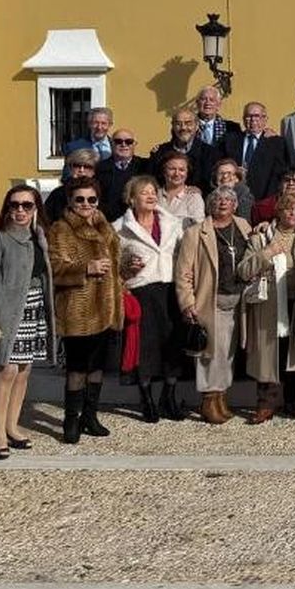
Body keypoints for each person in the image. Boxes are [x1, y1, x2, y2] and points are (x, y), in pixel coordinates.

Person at [0, 185, 55, 459]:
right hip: (7, 310)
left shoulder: (39, 235)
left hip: (34, 306)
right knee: (5, 370)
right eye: (15, 204)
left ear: (36, 208)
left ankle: (12, 424)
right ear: (7, 207)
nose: (20, 210)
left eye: (27, 205)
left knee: (24, 369)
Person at [47, 180, 124, 444]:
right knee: (77, 367)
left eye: (91, 199)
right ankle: (71, 419)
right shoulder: (61, 228)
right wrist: (85, 268)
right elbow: (54, 267)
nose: (86, 205)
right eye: (79, 199)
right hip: (78, 309)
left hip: (106, 307)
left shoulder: (105, 226)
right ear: (70, 200)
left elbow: (115, 264)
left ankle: (90, 416)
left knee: (97, 366)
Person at [176, 186, 251, 425]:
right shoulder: (195, 233)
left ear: (235, 205)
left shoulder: (244, 227)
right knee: (210, 353)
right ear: (210, 205)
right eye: (218, 199)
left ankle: (221, 398)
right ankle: (208, 400)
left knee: (228, 353)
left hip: (237, 301)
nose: (223, 202)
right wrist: (187, 302)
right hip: (210, 300)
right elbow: (184, 272)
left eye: (228, 199)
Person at [114, 174, 186, 423]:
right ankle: (146, 399)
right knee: (145, 347)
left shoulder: (173, 223)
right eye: (144, 192)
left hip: (170, 288)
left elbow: (185, 255)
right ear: (131, 198)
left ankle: (169, 396)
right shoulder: (119, 228)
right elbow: (115, 265)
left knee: (173, 343)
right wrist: (127, 268)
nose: (150, 195)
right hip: (141, 291)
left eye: (153, 191)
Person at [238, 194, 295, 421]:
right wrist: (266, 253)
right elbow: (243, 270)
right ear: (279, 211)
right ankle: (266, 403)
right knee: (269, 354)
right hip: (269, 303)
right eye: (288, 209)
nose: (293, 214)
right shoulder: (262, 238)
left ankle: (292, 402)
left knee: (294, 354)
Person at [225, 102, 291, 200]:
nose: (253, 120)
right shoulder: (231, 140)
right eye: (249, 116)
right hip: (234, 196)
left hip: (263, 197)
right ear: (243, 119)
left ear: (265, 119)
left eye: (257, 116)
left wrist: (268, 200)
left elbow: (278, 174)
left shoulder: (276, 143)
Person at [151, 105, 217, 192]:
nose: (183, 128)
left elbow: (213, 183)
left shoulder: (210, 153)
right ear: (173, 126)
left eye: (188, 123)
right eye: (178, 124)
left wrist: (200, 190)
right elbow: (152, 181)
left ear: (197, 126)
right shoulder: (160, 152)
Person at [99, 127, 151, 220]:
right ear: (111, 144)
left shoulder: (145, 166)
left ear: (134, 144)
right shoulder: (100, 168)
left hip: (137, 221)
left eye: (129, 142)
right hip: (108, 221)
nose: (123, 144)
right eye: (118, 141)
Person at [44, 148, 99, 222]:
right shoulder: (57, 194)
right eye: (77, 166)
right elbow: (46, 219)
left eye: (87, 167)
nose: (81, 170)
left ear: (94, 170)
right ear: (70, 168)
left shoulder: (101, 192)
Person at [158, 151, 205, 227]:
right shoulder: (154, 195)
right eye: (172, 169)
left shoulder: (193, 197)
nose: (177, 174)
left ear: (187, 173)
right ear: (164, 171)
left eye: (181, 170)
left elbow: (198, 227)